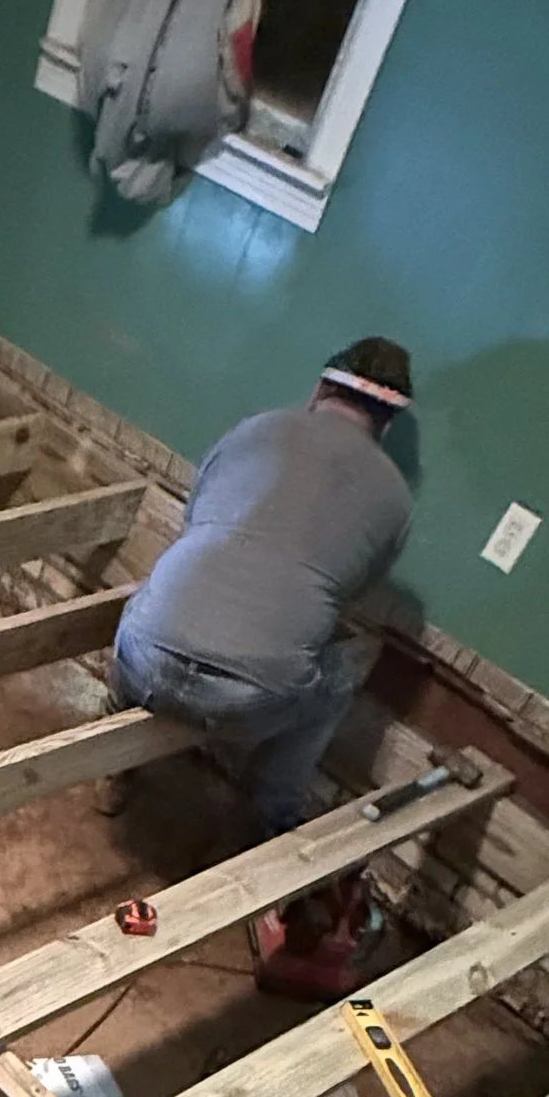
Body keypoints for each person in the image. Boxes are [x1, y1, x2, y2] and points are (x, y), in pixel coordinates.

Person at [107, 336, 416, 839]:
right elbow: (347, 595)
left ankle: (115, 745)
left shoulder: (256, 430)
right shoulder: (396, 499)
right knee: (340, 676)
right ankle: (269, 819)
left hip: (143, 665)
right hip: (248, 710)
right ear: (386, 422)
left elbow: (194, 517)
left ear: (319, 390)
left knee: (154, 595)